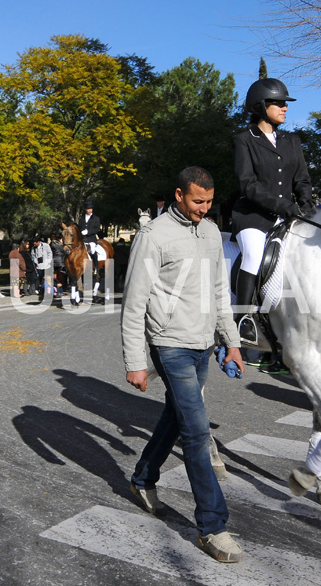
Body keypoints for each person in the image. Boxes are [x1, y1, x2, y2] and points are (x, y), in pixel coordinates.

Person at [121, 166, 245, 564]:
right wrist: (136, 361)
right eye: (197, 201)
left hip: (203, 343)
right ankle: (213, 526)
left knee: (176, 418)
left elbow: (219, 292)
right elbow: (134, 302)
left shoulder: (210, 232)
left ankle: (142, 478)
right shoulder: (152, 235)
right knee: (195, 431)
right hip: (169, 343)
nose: (203, 209)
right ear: (178, 194)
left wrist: (232, 343)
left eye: (209, 202)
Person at [230, 78, 313, 348]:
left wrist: (307, 204)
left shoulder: (292, 141)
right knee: (254, 256)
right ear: (261, 106)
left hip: (288, 215)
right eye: (279, 103)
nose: (284, 108)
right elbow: (248, 184)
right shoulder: (244, 140)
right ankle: (243, 319)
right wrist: (283, 206)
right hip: (253, 216)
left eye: (285, 104)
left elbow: (302, 179)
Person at [78, 202, 102, 268]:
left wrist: (88, 232)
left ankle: (96, 267)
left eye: (91, 209)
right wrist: (81, 232)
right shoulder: (81, 219)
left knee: (92, 250)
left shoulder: (96, 218)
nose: (89, 210)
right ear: (85, 209)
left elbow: (97, 229)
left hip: (91, 239)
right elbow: (79, 228)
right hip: (82, 239)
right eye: (88, 209)